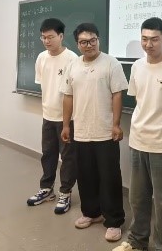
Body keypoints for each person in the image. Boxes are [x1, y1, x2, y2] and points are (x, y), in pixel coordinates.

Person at [113, 17, 162, 251]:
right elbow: (139, 99)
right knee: (137, 198)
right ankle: (136, 241)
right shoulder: (137, 66)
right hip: (138, 140)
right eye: (144, 39)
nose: (148, 44)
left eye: (154, 39)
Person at [61, 23, 128, 243]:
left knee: (109, 177)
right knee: (85, 175)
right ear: (77, 44)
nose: (88, 45)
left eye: (92, 40)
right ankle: (91, 212)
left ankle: (114, 221)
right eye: (83, 42)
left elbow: (117, 94)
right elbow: (68, 96)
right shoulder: (73, 65)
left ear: (98, 40)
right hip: (81, 130)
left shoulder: (111, 63)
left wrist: (116, 124)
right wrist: (66, 125)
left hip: (105, 131)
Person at [26, 18, 78, 214]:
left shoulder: (72, 59)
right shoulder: (41, 58)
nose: (46, 41)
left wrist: (67, 121)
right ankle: (47, 189)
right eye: (43, 37)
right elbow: (45, 85)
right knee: (48, 154)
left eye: (50, 37)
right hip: (48, 115)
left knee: (68, 158)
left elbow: (75, 91)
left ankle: (65, 192)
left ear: (61, 36)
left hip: (67, 118)